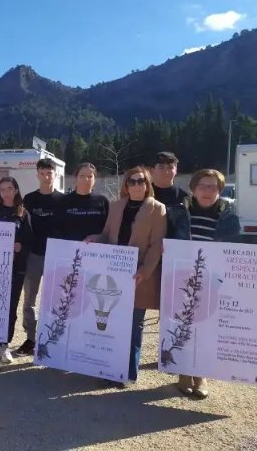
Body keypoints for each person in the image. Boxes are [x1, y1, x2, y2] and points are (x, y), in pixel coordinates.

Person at [87, 166, 166, 387]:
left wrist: (146, 270)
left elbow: (157, 244)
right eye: (132, 181)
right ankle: (109, 367)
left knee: (133, 326)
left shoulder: (157, 209)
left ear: (147, 184)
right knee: (111, 324)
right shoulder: (116, 206)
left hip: (137, 276)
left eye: (141, 181)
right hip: (112, 275)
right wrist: (95, 238)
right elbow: (106, 235)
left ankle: (128, 373)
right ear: (126, 185)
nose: (137, 185)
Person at [168, 169, 241, 399]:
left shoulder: (229, 217)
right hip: (182, 277)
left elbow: (237, 246)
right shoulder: (179, 212)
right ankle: (182, 374)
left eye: (213, 187)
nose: (208, 191)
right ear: (194, 189)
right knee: (182, 324)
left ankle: (201, 376)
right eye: (203, 186)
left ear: (220, 190)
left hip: (212, 279)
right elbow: (168, 237)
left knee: (206, 327)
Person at [16, 158, 64, 356]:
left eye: (49, 173)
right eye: (42, 173)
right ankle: (31, 338)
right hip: (34, 255)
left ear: (55, 174)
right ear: (37, 175)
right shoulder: (29, 199)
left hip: (57, 257)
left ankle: (55, 338)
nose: (46, 176)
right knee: (30, 300)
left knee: (58, 299)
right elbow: (21, 226)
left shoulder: (63, 200)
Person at [0, 177, 32, 371]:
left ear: (16, 189)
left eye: (9, 188)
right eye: (2, 189)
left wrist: (21, 246)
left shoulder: (22, 212)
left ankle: (4, 345)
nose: (6, 192)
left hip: (15, 268)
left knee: (10, 308)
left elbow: (30, 240)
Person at [58, 162, 109, 241]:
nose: (86, 179)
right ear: (76, 178)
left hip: (95, 251)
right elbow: (57, 228)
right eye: (82, 176)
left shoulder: (102, 201)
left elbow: (108, 230)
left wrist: (98, 238)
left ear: (95, 180)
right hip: (68, 249)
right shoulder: (64, 201)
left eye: (90, 176)